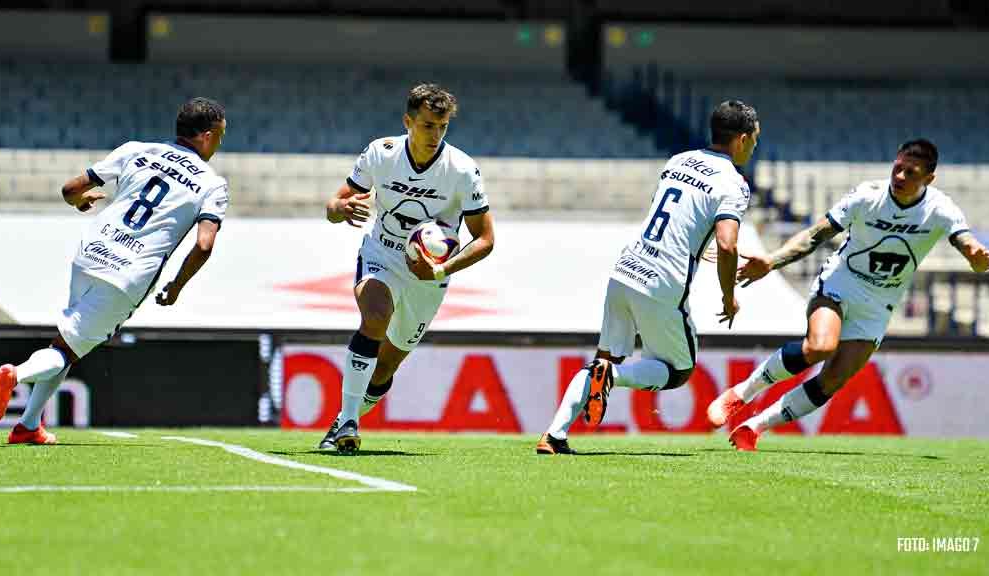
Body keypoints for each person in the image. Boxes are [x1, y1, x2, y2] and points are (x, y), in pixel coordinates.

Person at [709, 139, 989, 450]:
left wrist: (974, 257)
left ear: (929, 179)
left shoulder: (940, 209)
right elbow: (816, 235)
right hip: (840, 282)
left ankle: (754, 427)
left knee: (833, 380)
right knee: (820, 347)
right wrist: (773, 261)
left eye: (910, 173)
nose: (899, 177)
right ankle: (739, 394)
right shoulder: (867, 196)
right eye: (897, 168)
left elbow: (965, 242)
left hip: (880, 304)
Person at [0, 97, 230, 444]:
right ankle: (16, 374)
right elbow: (204, 245)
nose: (219, 144)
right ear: (204, 135)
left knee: (67, 338)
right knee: (65, 350)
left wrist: (79, 203)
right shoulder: (211, 184)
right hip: (128, 273)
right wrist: (177, 286)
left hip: (91, 251)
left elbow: (70, 189)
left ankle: (28, 425)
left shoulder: (137, 150)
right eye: (219, 136)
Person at [536, 100, 760, 454]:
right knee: (678, 371)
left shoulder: (678, 161)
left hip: (626, 269)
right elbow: (727, 245)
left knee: (605, 355)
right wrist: (728, 295)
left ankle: (553, 435)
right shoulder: (734, 183)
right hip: (663, 282)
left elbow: (677, 221)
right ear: (744, 139)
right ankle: (612, 378)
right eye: (755, 139)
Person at [319, 83, 494, 454]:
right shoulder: (380, 154)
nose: (436, 135)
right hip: (382, 254)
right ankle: (349, 422)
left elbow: (485, 239)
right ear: (408, 121)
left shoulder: (462, 170)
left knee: (384, 370)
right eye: (428, 125)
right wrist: (341, 209)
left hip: (430, 276)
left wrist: (442, 269)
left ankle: (343, 417)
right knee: (376, 315)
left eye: (443, 126)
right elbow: (335, 205)